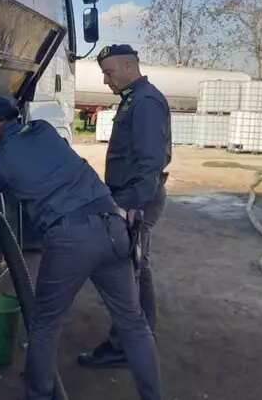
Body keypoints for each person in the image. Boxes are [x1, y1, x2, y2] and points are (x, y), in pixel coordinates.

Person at [0, 94, 162, 400]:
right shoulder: (42, 129)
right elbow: (30, 157)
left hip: (72, 238)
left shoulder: (1, 160)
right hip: (114, 227)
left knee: (45, 324)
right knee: (133, 324)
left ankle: (38, 395)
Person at [77, 44, 172, 369]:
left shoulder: (145, 102)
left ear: (130, 67)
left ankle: (127, 346)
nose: (106, 80)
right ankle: (140, 340)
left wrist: (133, 204)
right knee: (135, 269)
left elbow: (150, 161)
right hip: (128, 195)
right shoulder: (134, 98)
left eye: (109, 73)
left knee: (130, 272)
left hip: (136, 199)